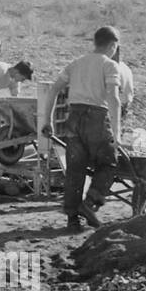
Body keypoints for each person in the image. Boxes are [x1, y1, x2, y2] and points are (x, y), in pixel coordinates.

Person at [47, 26, 122, 231]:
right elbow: (113, 99)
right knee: (109, 163)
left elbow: (53, 90)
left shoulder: (76, 63)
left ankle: (72, 219)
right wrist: (117, 134)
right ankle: (90, 205)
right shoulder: (109, 65)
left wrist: (48, 120)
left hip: (74, 118)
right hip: (96, 119)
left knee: (75, 169)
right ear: (113, 45)